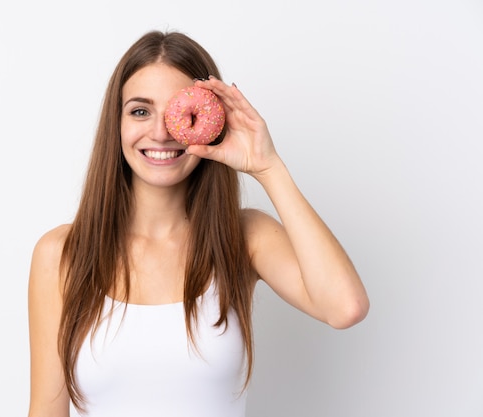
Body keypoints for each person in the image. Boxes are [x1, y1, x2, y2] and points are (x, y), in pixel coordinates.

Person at [27, 30, 369, 417]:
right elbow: (46, 409)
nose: (159, 132)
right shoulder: (62, 255)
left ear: (212, 121)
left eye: (178, 112)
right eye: (140, 111)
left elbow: (346, 307)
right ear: (116, 125)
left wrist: (269, 167)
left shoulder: (242, 238)